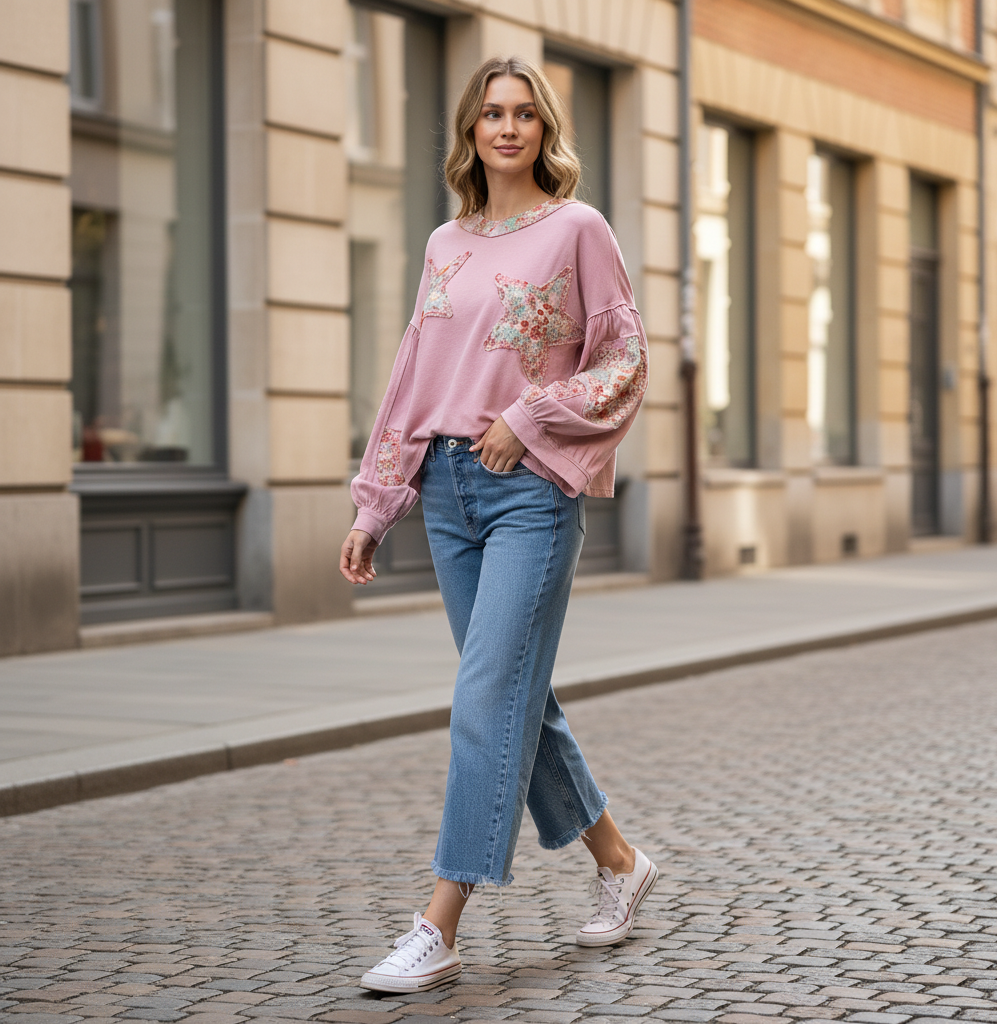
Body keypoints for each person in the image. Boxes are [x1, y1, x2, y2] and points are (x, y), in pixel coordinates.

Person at [339, 55, 656, 994]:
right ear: (470, 133)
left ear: (544, 127)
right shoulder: (446, 243)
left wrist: (530, 416)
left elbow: (626, 357)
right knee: (520, 696)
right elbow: (411, 380)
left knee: (485, 698)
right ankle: (621, 862)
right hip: (446, 491)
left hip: (529, 493)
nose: (507, 129)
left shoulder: (577, 230)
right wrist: (376, 502)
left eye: (523, 114)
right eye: (491, 115)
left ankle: (438, 925)